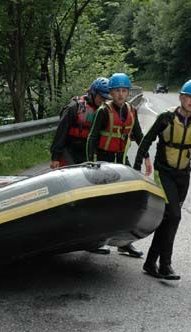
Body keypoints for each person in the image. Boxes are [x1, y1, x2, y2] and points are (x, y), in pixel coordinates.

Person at [134, 79, 191, 280]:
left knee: (169, 219)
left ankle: (151, 263)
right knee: (174, 216)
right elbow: (146, 140)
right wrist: (137, 166)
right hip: (164, 173)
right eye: (189, 97)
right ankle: (165, 265)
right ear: (181, 97)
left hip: (183, 176)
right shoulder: (166, 118)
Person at [86, 73, 153, 258]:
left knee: (130, 203)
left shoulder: (132, 110)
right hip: (103, 160)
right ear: (111, 92)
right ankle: (95, 241)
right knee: (101, 203)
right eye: (117, 91)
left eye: (124, 91)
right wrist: (90, 162)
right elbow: (92, 137)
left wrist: (146, 157)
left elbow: (139, 135)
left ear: (128, 92)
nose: (121, 95)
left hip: (122, 161)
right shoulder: (103, 111)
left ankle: (125, 243)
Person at [50, 77, 112, 255]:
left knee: (91, 197)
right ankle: (60, 234)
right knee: (69, 193)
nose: (103, 100)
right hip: (68, 151)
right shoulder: (74, 107)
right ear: (92, 93)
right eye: (101, 97)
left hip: (86, 152)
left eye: (106, 98)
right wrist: (55, 157)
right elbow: (60, 134)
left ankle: (91, 241)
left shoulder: (103, 110)